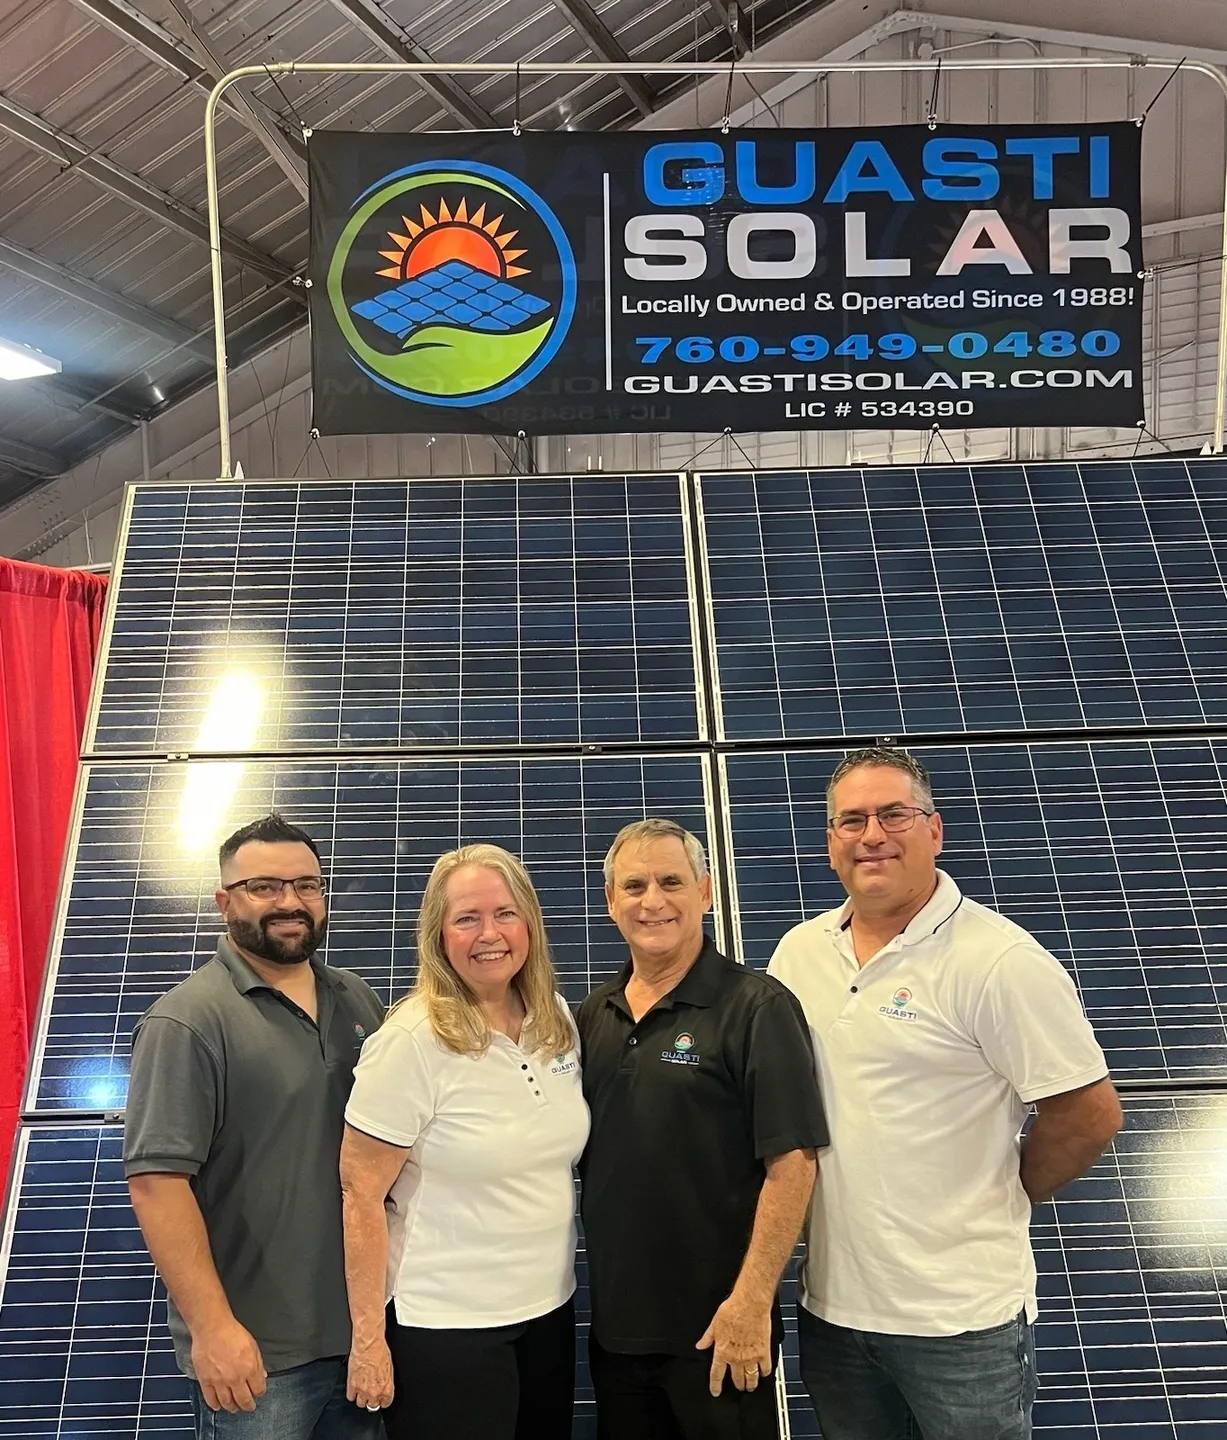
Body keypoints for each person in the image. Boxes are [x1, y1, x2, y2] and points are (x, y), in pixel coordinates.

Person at [767, 746, 1124, 1440]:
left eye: (893, 814)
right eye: (851, 820)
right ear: (830, 843)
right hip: (835, 1313)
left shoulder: (998, 961)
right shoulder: (797, 953)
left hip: (961, 1323)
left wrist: (1001, 1188)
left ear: (933, 830)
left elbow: (1088, 1113)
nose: (871, 834)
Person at [123, 814, 385, 1440]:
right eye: (265, 886)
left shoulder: (358, 1000)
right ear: (224, 901)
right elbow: (158, 1185)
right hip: (259, 1358)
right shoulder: (187, 1023)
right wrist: (214, 1329)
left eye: (307, 885)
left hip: (363, 1337)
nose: (290, 902)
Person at [578, 818, 829, 1440]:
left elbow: (793, 1165)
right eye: (633, 886)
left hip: (721, 1333)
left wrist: (749, 1306)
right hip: (618, 1336)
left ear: (706, 892)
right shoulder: (592, 1016)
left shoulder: (758, 1007)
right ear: (611, 901)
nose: (652, 901)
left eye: (671, 881)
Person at [339, 843, 589, 1440]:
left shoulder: (553, 1019)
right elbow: (359, 1192)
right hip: (445, 1329)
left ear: (528, 921)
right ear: (439, 936)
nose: (490, 934)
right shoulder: (412, 1040)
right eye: (467, 918)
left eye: (505, 914)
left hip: (547, 1312)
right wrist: (368, 1341)